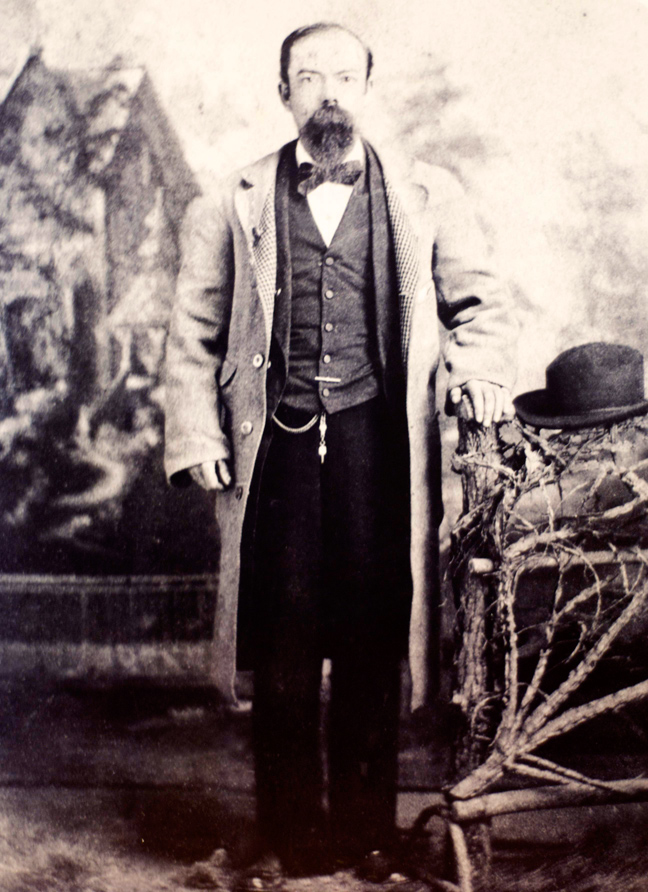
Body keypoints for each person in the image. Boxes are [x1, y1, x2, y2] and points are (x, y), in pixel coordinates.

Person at [164, 21, 516, 883]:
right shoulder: (235, 199)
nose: (328, 93)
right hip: (275, 451)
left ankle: (367, 835)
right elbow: (192, 332)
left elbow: (480, 305)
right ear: (283, 92)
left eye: (344, 77)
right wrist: (199, 433)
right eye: (309, 76)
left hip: (376, 442)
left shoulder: (426, 194)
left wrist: (478, 374)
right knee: (284, 644)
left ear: (366, 88)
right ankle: (293, 837)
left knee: (369, 634)